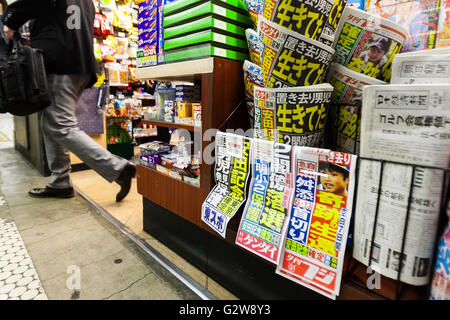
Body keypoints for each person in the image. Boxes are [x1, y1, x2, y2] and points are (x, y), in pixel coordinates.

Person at [2, 0, 136, 202]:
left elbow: (29, 7)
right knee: (51, 123)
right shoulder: (87, 2)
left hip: (60, 63)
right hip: (82, 64)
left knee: (61, 125)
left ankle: (117, 168)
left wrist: (10, 21)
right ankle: (60, 182)